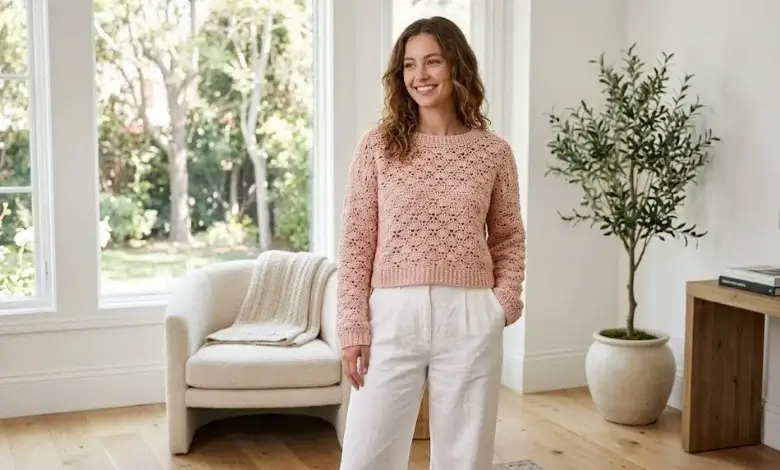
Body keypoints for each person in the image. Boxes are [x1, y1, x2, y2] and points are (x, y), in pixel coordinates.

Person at [336, 15, 526, 470]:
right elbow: (356, 240)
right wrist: (352, 325)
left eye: (433, 62)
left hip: (471, 315)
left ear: (456, 66)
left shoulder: (493, 152)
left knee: (465, 457)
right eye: (409, 65)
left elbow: (508, 236)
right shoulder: (378, 145)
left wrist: (502, 304)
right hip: (392, 316)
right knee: (366, 455)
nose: (420, 76)